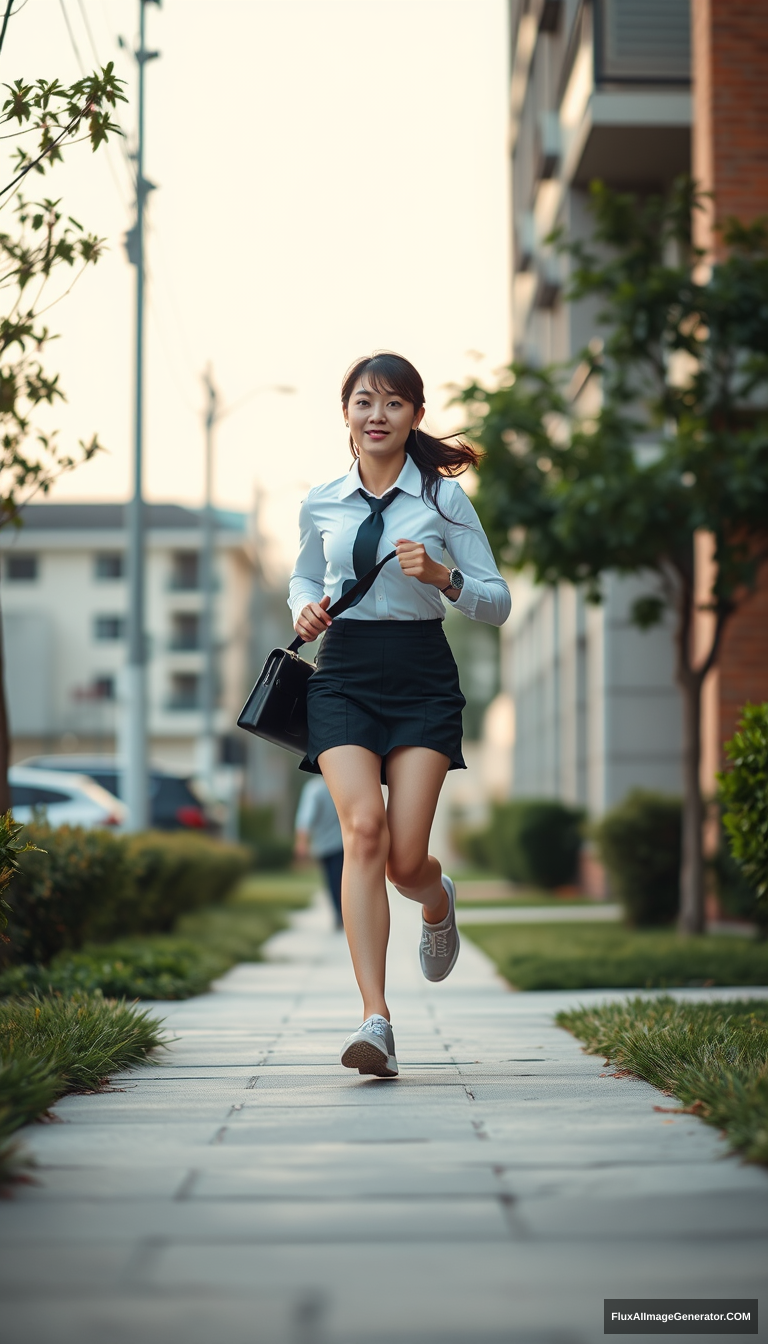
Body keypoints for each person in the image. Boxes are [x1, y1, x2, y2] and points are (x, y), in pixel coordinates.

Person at [289, 352, 510, 1078]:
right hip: (344, 672)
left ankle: (436, 899)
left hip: (421, 674)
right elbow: (302, 571)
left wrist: (445, 578)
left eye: (391, 403)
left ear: (415, 414)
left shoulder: (444, 503)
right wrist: (305, 605)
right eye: (363, 402)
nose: (376, 415)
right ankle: (375, 1020)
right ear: (346, 416)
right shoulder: (322, 499)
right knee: (363, 831)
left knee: (406, 860)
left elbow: (497, 601)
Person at [294, 774, 344, 929]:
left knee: (332, 881)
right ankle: (342, 915)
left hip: (325, 845)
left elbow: (305, 817)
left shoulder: (314, 788)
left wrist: (301, 843)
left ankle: (340, 915)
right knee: (342, 881)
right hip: (343, 842)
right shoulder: (342, 783)